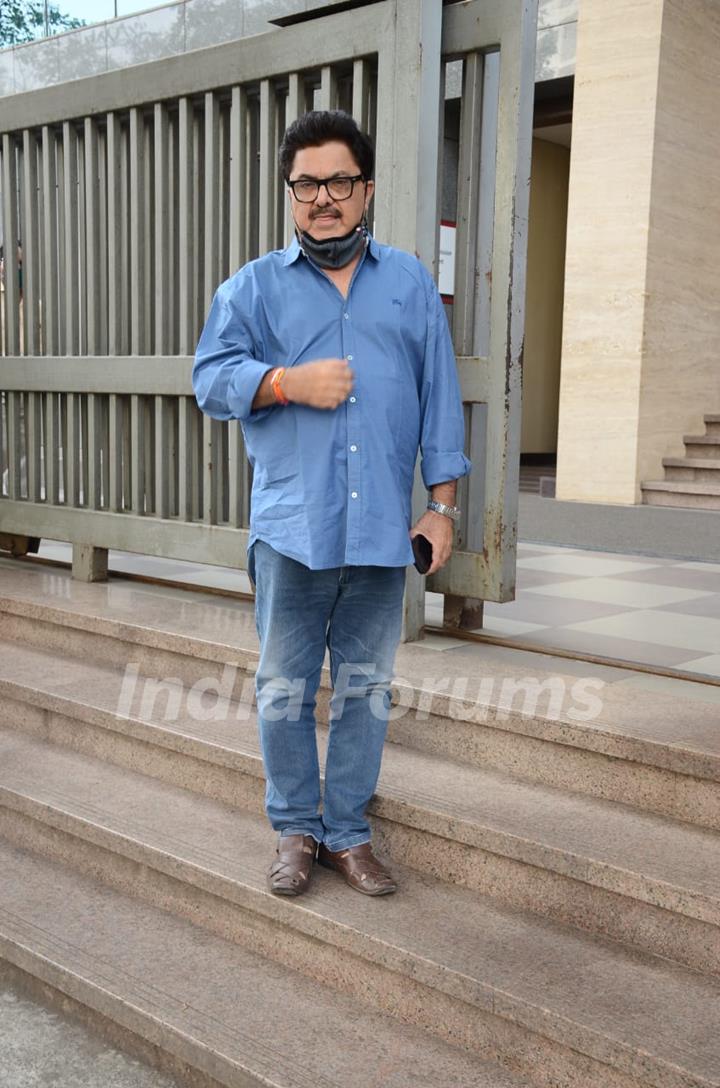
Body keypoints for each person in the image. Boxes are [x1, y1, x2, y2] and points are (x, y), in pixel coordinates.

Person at [193, 110, 470, 898]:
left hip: (384, 531)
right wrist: (283, 382)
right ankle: (294, 828)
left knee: (365, 689)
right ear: (290, 194)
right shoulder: (252, 288)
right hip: (293, 529)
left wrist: (440, 506)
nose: (324, 198)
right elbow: (210, 380)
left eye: (339, 182)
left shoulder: (411, 282)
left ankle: (347, 833)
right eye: (307, 183)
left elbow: (439, 395)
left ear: (367, 190)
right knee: (283, 686)